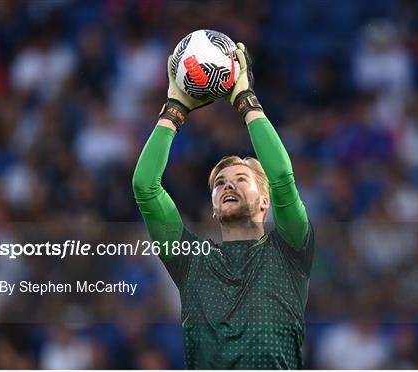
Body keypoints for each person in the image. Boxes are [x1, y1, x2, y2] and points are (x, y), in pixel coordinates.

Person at [132, 42, 314, 369]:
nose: (227, 184)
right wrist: (175, 108)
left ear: (265, 199)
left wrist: (245, 99)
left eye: (241, 179)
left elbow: (283, 179)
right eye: (219, 183)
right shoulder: (191, 260)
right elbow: (145, 187)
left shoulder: (290, 250)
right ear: (214, 208)